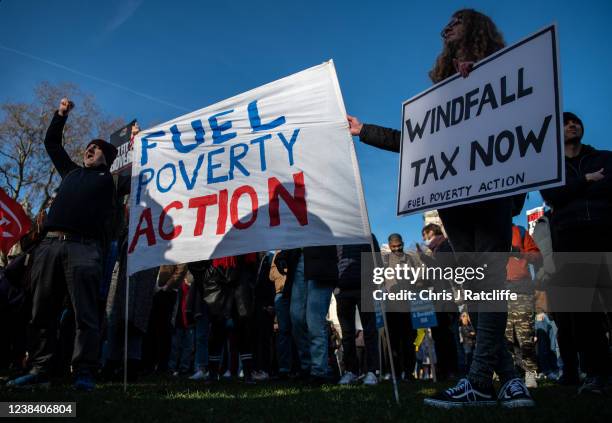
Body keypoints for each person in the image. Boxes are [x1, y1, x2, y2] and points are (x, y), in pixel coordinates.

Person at [347, 10, 533, 408]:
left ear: (478, 28)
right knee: (481, 288)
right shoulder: (440, 96)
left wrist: (481, 76)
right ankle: (511, 380)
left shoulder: (508, 71)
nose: (447, 27)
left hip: (492, 197)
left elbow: (525, 125)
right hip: (455, 202)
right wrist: (364, 132)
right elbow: (415, 141)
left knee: (491, 285)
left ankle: (481, 380)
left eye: (458, 20)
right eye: (445, 24)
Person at [7, 98, 118, 391]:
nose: (88, 149)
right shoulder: (70, 173)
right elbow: (52, 143)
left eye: (95, 147)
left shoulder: (112, 181)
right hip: (50, 247)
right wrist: (61, 115)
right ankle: (41, 369)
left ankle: (84, 372)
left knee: (85, 314)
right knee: (41, 309)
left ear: (106, 155)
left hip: (85, 249)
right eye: (87, 146)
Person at [540, 111, 612, 394]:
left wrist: (576, 188)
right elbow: (553, 195)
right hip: (570, 242)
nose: (571, 125)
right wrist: (587, 181)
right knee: (585, 315)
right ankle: (598, 373)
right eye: (565, 123)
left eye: (575, 122)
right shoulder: (550, 167)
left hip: (606, 234)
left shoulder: (605, 158)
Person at [274, 246, 338, 384]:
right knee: (296, 318)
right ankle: (307, 366)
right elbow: (295, 234)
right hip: (298, 264)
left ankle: (319, 370)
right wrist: (283, 255)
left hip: (321, 264)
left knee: (314, 321)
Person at [335, 238, 380, 386]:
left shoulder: (367, 235)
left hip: (365, 288)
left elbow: (377, 260)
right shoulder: (337, 239)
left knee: (370, 331)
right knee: (347, 333)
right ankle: (351, 371)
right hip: (343, 290)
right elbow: (334, 261)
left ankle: (372, 371)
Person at [505, 224, 542, 388]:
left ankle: (530, 371)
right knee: (505, 336)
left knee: (525, 333)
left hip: (521, 289)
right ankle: (512, 373)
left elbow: (537, 256)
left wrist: (518, 252)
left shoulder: (519, 231)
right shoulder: (488, 232)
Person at [383, 234, 418, 381]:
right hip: (391, 306)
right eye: (394, 246)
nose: (397, 249)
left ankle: (408, 372)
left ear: (403, 243)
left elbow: (418, 278)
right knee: (393, 341)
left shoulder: (410, 259)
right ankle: (395, 373)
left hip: (408, 305)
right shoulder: (384, 260)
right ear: (389, 246)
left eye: (399, 245)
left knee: (409, 341)